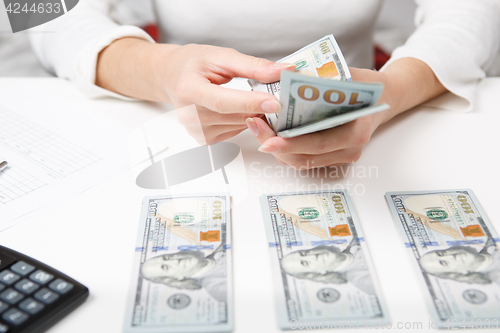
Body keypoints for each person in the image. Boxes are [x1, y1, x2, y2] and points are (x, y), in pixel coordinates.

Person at [29, 0, 500, 169]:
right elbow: (37, 9)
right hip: (170, 125)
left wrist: (389, 93)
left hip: (376, 127)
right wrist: (160, 68)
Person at [281, 240, 376, 294]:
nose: (313, 256)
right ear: (319, 273)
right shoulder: (362, 280)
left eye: (304, 253)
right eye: (306, 263)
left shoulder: (355, 238)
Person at [141, 245, 227, 302]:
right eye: (166, 267)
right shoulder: (216, 288)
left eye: (166, 258)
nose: (175, 261)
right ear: (176, 278)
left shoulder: (221, 247)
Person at [419, 240, 500, 285]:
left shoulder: (491, 238)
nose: (451, 256)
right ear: (459, 273)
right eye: (444, 263)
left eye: (441, 253)